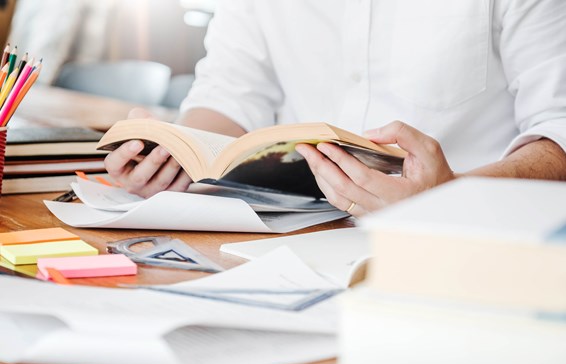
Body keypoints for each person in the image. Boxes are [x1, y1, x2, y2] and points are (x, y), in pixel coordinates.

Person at [105, 0, 566, 216]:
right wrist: (181, 156)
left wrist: (452, 194)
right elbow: (227, 97)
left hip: (469, 240)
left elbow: (559, 130)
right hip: (297, 235)